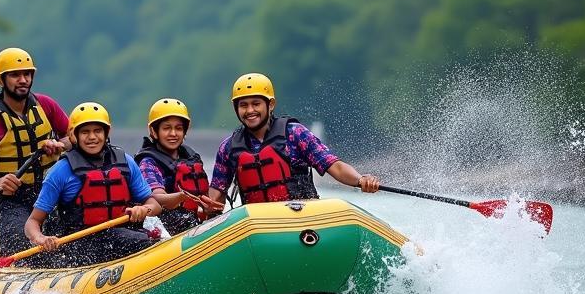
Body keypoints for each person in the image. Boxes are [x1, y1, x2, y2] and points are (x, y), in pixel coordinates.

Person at [205, 73, 380, 210]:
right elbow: (216, 196)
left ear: (270, 104)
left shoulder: (295, 133)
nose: (250, 110)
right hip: (259, 227)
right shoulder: (228, 148)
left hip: (301, 217)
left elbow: (334, 166)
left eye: (256, 103)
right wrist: (206, 206)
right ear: (236, 108)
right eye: (243, 105)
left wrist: (360, 180)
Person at [25, 101, 162, 265]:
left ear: (106, 132)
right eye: (85, 132)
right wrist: (41, 238)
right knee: (134, 240)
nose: (92, 137)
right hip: (80, 245)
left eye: (97, 131)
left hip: (124, 235)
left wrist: (144, 209)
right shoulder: (61, 171)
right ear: (74, 135)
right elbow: (33, 221)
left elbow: (155, 204)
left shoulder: (126, 162)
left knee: (142, 240)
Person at [0, 47, 71, 254]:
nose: (23, 80)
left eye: (27, 74)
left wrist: (60, 145)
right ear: (1, 81)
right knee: (20, 247)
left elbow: (75, 137)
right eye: (15, 75)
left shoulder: (46, 106)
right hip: (15, 203)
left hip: (54, 192)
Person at [134, 98, 218, 235]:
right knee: (186, 220)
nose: (173, 134)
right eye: (166, 128)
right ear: (154, 131)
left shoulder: (191, 158)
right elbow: (157, 198)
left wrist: (208, 208)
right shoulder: (148, 162)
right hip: (162, 222)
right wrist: (183, 196)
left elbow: (203, 197)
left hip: (190, 219)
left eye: (178, 128)